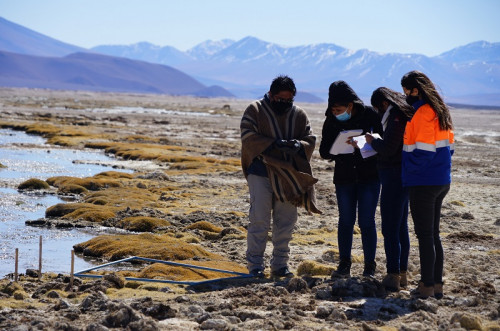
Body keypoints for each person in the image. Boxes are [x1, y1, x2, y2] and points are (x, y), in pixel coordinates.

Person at [240, 75, 321, 279]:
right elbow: (247, 136)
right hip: (260, 171)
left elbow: (309, 139)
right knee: (259, 219)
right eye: (280, 99)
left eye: (288, 100)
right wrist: (272, 144)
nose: (284, 103)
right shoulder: (255, 110)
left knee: (285, 221)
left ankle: (280, 264)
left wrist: (297, 146)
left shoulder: (299, 114)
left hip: (288, 175)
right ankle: (255, 266)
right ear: (270, 94)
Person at [319, 80, 382, 278]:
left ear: (351, 105)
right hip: (344, 178)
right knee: (345, 220)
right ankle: (344, 263)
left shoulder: (371, 115)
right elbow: (323, 151)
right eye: (333, 110)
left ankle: (369, 266)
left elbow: (383, 143)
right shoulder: (331, 120)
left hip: (369, 177)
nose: (337, 113)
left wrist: (362, 144)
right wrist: (339, 148)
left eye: (339, 109)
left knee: (367, 222)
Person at [400, 70, 454, 299]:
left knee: (425, 236)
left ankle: (426, 286)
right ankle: (437, 284)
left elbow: (422, 153)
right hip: (441, 180)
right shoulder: (441, 112)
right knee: (433, 234)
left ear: (416, 90)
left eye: (406, 91)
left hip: (424, 182)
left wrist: (408, 170)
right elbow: (449, 149)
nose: (405, 96)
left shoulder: (423, 113)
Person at [364, 87, 415, 291]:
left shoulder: (395, 117)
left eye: (378, 108)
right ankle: (401, 273)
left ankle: (393, 274)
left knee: (390, 228)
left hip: (394, 176)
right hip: (402, 175)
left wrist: (372, 141)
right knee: (401, 226)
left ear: (383, 104)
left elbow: (388, 148)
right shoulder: (402, 114)